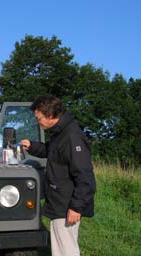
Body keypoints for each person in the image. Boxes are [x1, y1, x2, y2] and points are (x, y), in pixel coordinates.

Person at [21, 95, 96, 256]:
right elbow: (53, 151)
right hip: (60, 202)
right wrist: (32, 146)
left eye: (38, 118)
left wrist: (76, 207)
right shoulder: (60, 133)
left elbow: (85, 177)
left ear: (49, 115)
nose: (37, 122)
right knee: (60, 249)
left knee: (66, 250)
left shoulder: (72, 136)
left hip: (67, 205)